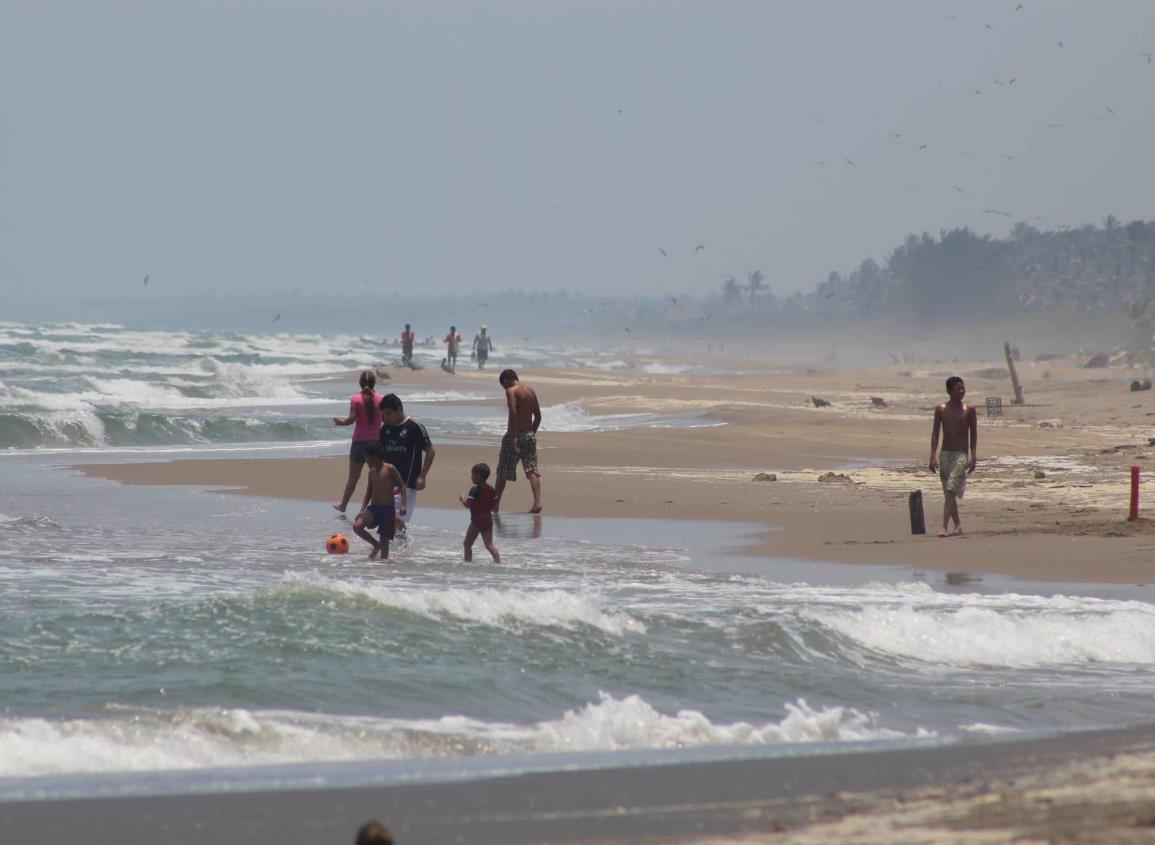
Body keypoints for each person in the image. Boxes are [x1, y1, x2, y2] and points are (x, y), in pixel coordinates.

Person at [378, 393, 435, 538]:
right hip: (388, 481)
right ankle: (399, 549)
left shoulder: (414, 427)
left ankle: (393, 549)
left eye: (388, 413)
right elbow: (381, 455)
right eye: (383, 414)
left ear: (398, 410)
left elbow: (430, 451)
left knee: (395, 517)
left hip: (407, 482)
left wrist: (422, 476)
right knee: (390, 517)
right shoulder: (385, 429)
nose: (386, 418)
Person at [929, 375, 978, 537]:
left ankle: (943, 526)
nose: (962, 391)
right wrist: (932, 456)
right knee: (948, 492)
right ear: (949, 391)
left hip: (961, 456)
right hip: (945, 455)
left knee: (951, 489)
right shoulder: (941, 409)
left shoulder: (969, 410)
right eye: (958, 389)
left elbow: (974, 434)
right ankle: (957, 525)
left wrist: (974, 456)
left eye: (963, 388)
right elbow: (935, 433)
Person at [331, 370, 381, 514]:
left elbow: (351, 420)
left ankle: (343, 505)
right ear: (374, 383)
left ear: (360, 384)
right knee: (376, 477)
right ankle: (371, 507)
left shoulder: (356, 399)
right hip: (375, 444)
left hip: (359, 443)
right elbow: (384, 419)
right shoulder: (381, 399)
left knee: (353, 477)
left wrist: (341, 423)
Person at [494, 369, 542, 513]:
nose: (505, 389)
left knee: (502, 471)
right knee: (531, 469)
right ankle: (537, 502)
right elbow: (538, 416)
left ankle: (495, 505)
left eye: (504, 385)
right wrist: (531, 434)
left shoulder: (511, 391)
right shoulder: (531, 391)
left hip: (514, 435)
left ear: (507, 380)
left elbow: (514, 412)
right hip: (529, 435)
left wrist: (514, 438)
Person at [352, 442, 407, 560]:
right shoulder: (371, 472)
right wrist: (362, 510)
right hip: (374, 509)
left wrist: (403, 505)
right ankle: (375, 545)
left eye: (367, 457)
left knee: (384, 541)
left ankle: (383, 569)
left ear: (375, 457)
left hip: (387, 510)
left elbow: (402, 486)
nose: (366, 460)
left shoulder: (390, 469)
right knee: (357, 526)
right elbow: (368, 492)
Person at [460, 462, 501, 563]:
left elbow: (468, 505)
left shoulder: (474, 490)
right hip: (488, 519)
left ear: (478, 476)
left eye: (472, 474)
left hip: (477, 520)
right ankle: (499, 563)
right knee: (489, 545)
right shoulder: (491, 489)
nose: (471, 477)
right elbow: (495, 508)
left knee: (467, 544)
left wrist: (462, 500)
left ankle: (467, 563)